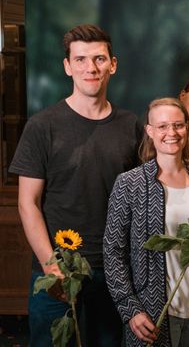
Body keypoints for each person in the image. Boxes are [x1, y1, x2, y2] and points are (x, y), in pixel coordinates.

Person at [9, 24, 141, 346]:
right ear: (68, 67)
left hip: (115, 269)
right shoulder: (42, 126)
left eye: (98, 59)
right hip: (57, 268)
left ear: (113, 64)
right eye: (80, 60)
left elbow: (144, 197)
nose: (90, 68)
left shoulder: (131, 125)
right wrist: (50, 264)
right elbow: (28, 202)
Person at [104, 98, 189, 346]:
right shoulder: (130, 183)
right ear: (150, 131)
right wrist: (130, 309)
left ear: (187, 130)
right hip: (151, 313)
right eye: (163, 126)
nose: (172, 133)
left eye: (179, 125)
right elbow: (113, 252)